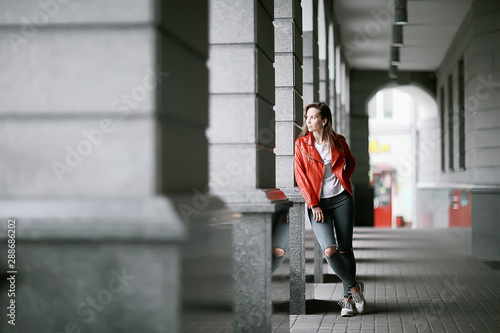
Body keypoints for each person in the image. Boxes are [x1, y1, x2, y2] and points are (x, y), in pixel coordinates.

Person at [294, 102, 366, 317]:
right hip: (319, 204)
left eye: (313, 117)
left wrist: (343, 178)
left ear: (324, 120)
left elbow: (351, 163)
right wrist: (313, 203)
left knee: (345, 249)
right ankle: (354, 288)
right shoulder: (301, 144)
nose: (308, 121)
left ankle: (346, 300)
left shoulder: (339, 141)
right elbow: (301, 177)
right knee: (329, 250)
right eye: (307, 117)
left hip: (342, 199)